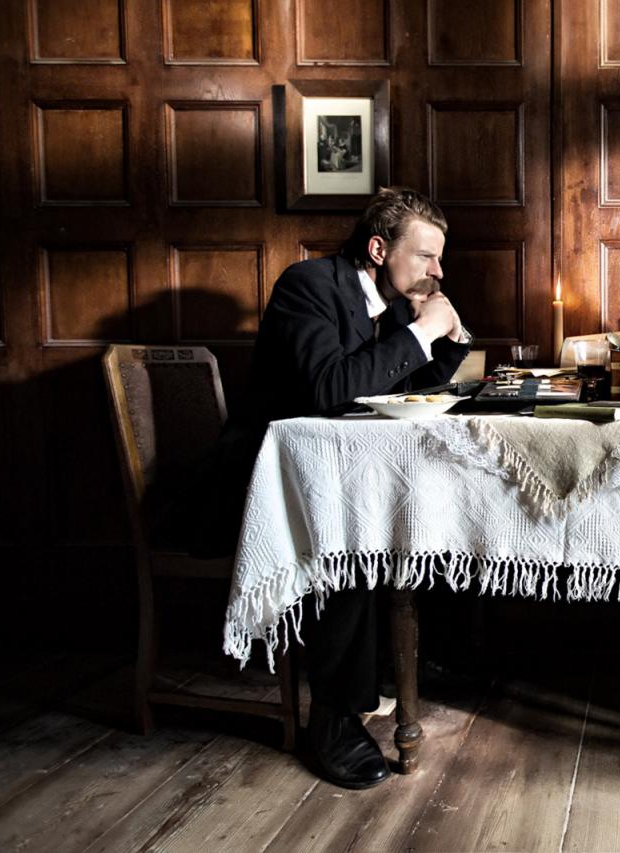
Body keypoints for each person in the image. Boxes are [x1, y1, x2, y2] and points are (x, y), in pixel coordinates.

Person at [201, 187, 472, 790]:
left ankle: (409, 664)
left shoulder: (391, 304)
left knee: (416, 514)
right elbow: (329, 388)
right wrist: (421, 332)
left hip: (327, 478)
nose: (438, 271)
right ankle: (334, 717)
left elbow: (403, 388)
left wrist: (449, 337)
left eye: (439, 259)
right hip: (255, 488)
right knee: (351, 533)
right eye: (426, 256)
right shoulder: (308, 286)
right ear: (379, 249)